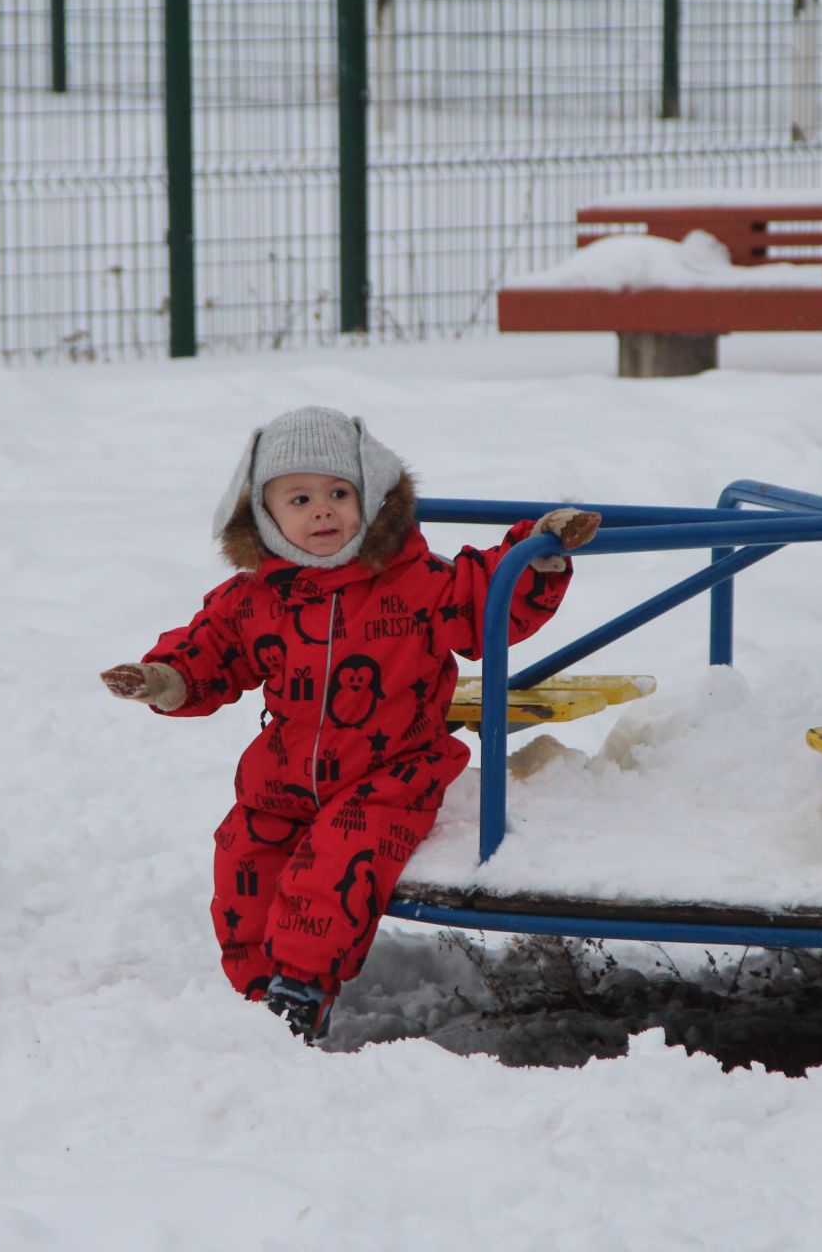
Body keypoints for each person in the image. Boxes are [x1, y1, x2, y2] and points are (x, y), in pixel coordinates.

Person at [101, 405, 599, 1043]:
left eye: (341, 493)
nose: (323, 510)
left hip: (390, 771)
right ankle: (256, 999)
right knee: (241, 861)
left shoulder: (413, 583)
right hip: (282, 773)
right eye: (300, 498)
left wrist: (539, 552)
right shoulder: (254, 598)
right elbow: (211, 651)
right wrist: (164, 680)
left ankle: (301, 994)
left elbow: (479, 602)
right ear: (262, 514)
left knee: (337, 864)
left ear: (373, 499)